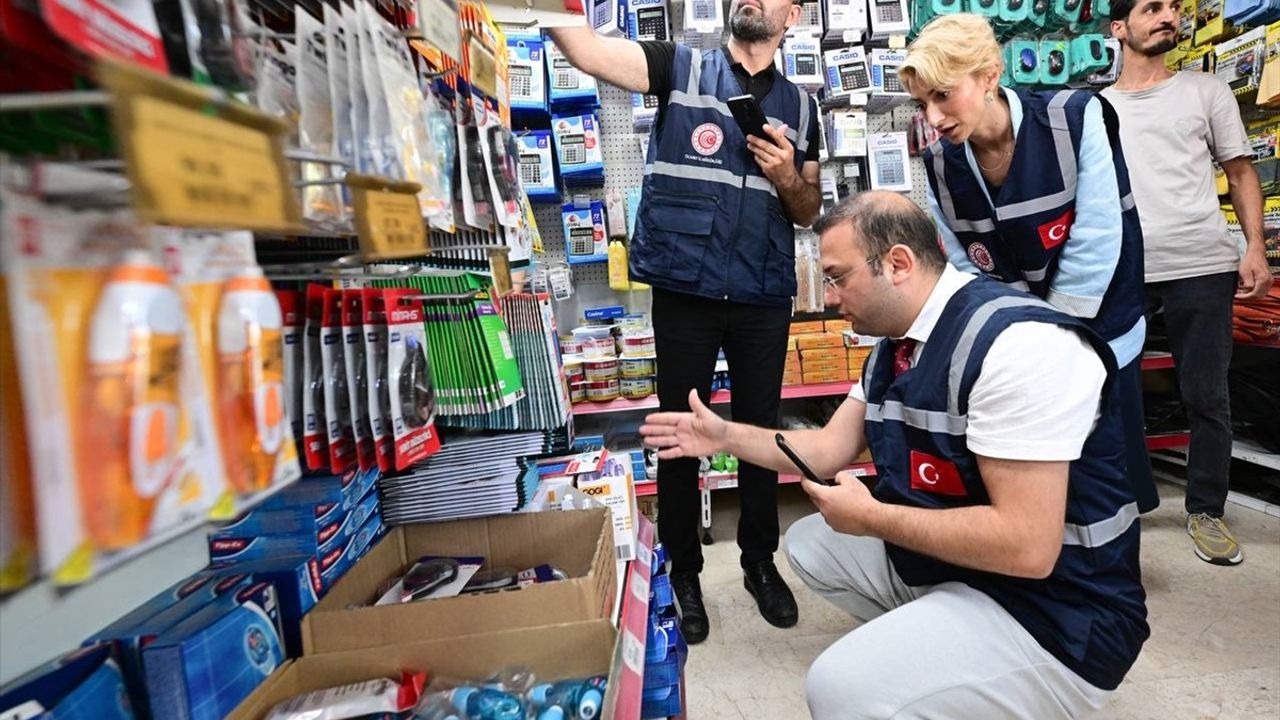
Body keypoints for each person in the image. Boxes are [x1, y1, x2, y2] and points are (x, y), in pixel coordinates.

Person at [640, 192, 1149, 719]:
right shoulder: (898, 343)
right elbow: (825, 450)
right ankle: (950, 653)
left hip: (1064, 616)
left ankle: (1011, 685)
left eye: (837, 277)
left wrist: (873, 518)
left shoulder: (1018, 346)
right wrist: (724, 436)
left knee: (838, 688)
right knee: (814, 543)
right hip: (981, 575)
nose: (831, 296)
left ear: (898, 263)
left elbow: (1027, 547)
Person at [547, 0, 822, 643]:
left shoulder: (805, 106)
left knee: (760, 432)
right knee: (677, 436)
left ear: (795, 14)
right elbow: (588, 52)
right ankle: (683, 572)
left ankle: (760, 561)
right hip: (686, 288)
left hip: (761, 292)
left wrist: (786, 175)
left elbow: (808, 209)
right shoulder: (681, 65)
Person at [901, 14, 1158, 516]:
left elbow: (1099, 238)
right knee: (1035, 482)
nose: (932, 118)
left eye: (943, 95)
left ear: (989, 75)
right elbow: (961, 263)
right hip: (1021, 345)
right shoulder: (939, 164)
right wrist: (1016, 340)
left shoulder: (1075, 117)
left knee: (1103, 472)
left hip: (1099, 328)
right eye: (922, 103)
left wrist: (1054, 340)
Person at [1103, 0, 1274, 566]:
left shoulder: (1207, 91)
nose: (1168, 16)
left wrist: (1254, 247)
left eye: (1174, 8)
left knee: (1207, 396)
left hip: (1202, 264)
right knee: (1107, 393)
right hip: (1123, 271)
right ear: (1119, 28)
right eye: (1153, 8)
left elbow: (1240, 170)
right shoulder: (1094, 108)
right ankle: (1117, 507)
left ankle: (1206, 510)